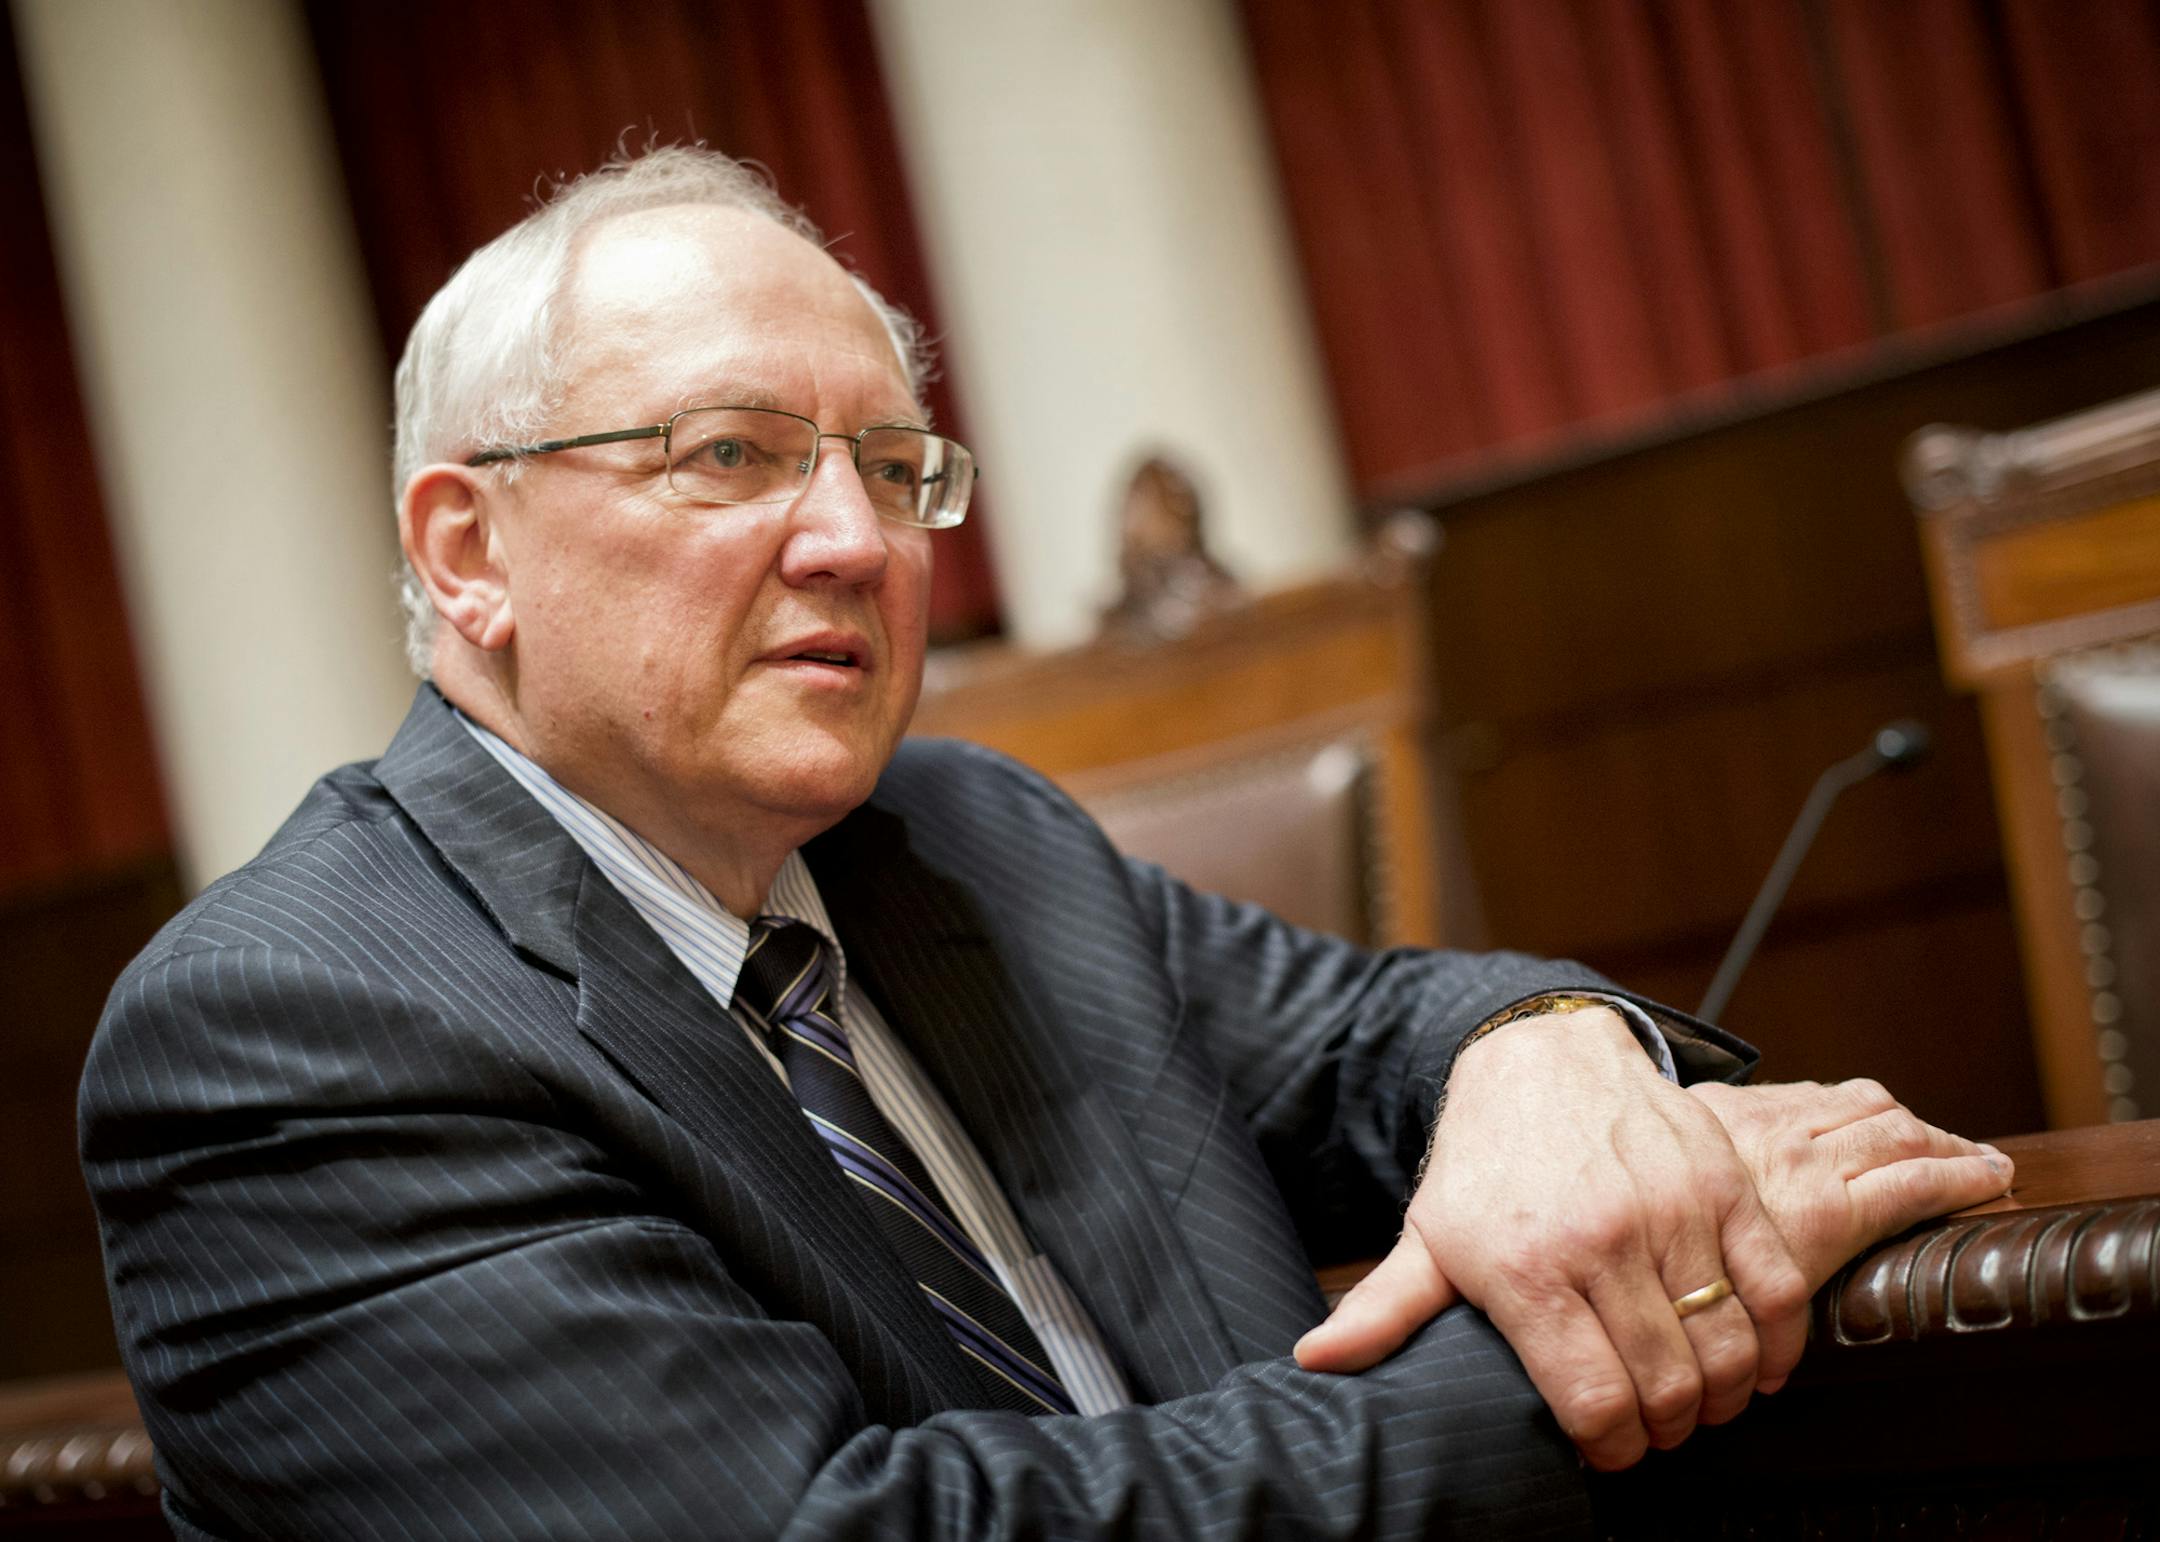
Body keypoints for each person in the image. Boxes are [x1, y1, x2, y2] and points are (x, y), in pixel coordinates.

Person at [81, 148, 2012, 1541]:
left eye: (893, 467)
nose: (855, 542)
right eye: (732, 454)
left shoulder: (964, 832)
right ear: (466, 548)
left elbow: (1365, 1041)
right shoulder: (290, 1031)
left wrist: (1543, 1057)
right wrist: (1626, 1330)